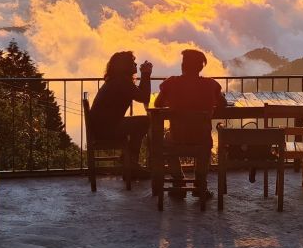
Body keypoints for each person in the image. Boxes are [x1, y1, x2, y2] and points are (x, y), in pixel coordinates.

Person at [154, 49, 225, 200]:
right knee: (205, 141)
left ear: (183, 65)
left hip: (177, 138)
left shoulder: (171, 83)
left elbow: (157, 103)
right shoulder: (211, 85)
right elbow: (223, 104)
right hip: (201, 139)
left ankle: (178, 182)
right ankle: (200, 185)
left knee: (166, 139)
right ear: (201, 67)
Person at [88, 51, 152, 175]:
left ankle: (130, 161)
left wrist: (145, 75)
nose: (135, 64)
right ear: (125, 66)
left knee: (141, 122)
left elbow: (141, 95)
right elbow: (144, 97)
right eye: (132, 62)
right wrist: (146, 73)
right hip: (107, 129)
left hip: (100, 127)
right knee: (145, 122)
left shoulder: (116, 80)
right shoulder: (122, 82)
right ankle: (131, 163)